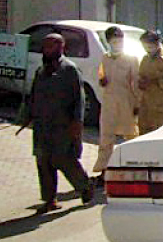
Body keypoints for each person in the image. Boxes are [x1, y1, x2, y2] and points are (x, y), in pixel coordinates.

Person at [23, 33, 93, 213]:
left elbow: (79, 99)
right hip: (42, 126)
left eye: (50, 46)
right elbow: (33, 96)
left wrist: (77, 122)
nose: (46, 50)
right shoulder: (41, 71)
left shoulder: (70, 70)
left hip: (63, 125)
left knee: (64, 159)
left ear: (61, 47)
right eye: (45, 46)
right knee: (43, 161)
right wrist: (27, 116)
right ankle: (49, 200)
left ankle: (85, 186)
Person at [92, 26, 139, 185]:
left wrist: (137, 104)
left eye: (119, 40)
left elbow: (136, 83)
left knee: (131, 136)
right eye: (113, 41)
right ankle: (103, 171)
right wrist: (102, 81)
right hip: (109, 102)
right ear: (108, 42)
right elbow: (101, 76)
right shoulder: (105, 58)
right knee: (106, 137)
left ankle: (133, 170)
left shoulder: (131, 58)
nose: (117, 44)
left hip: (126, 101)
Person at [137, 30, 163, 135]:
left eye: (150, 47)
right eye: (145, 47)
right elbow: (141, 76)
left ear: (157, 44)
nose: (147, 50)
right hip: (147, 107)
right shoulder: (145, 59)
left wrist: (156, 82)